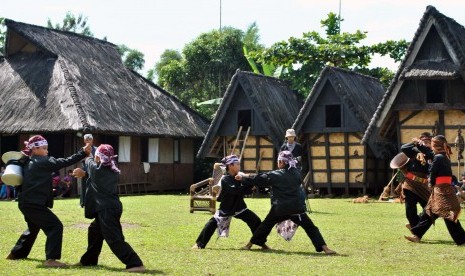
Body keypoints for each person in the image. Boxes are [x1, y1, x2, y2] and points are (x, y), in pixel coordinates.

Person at [6, 135, 90, 267]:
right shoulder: (43, 161)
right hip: (33, 204)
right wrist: (83, 153)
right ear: (34, 149)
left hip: (25, 203)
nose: (47, 151)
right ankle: (51, 260)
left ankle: (16, 254)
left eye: (47, 148)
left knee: (33, 228)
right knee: (55, 226)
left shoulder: (29, 162)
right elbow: (64, 161)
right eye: (44, 148)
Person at [237, 151, 336, 254]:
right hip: (296, 208)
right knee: (311, 228)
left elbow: (259, 178)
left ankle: (248, 245)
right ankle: (325, 249)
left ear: (281, 162)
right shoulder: (296, 173)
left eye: (279, 161)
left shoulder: (276, 175)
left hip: (280, 208)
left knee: (265, 226)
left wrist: (243, 177)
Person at [73, 144, 145, 273]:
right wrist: (85, 173)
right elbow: (95, 178)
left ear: (99, 158)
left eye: (97, 156)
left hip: (106, 209)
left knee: (114, 238)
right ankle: (88, 260)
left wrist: (88, 153)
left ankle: (135, 263)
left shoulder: (97, 169)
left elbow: (89, 162)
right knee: (94, 231)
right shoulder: (111, 170)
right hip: (109, 207)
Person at [192, 155, 266, 250]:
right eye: (237, 164)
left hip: (239, 207)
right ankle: (199, 244)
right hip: (226, 208)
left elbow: (248, 186)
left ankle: (262, 244)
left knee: (255, 220)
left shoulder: (240, 176)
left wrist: (249, 184)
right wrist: (249, 187)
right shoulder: (225, 179)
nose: (239, 166)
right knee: (211, 224)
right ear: (230, 166)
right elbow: (235, 190)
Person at [405, 135, 465, 245]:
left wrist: (430, 183)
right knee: (429, 213)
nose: (431, 146)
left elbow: (432, 174)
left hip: (442, 192)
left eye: (432, 145)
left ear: (436, 146)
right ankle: (417, 235)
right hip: (442, 190)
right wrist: (418, 143)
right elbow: (427, 151)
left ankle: (462, 239)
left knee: (448, 215)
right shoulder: (442, 156)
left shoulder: (438, 158)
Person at [396, 132, 434, 231]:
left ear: (431, 142)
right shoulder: (413, 150)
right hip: (410, 184)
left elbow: (430, 155)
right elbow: (404, 148)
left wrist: (424, 147)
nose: (425, 143)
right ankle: (416, 229)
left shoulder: (431, 152)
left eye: (427, 141)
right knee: (410, 209)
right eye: (423, 141)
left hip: (424, 184)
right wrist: (415, 143)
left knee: (429, 209)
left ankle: (417, 228)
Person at [80, 134, 97, 207]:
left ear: (92, 140)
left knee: (93, 186)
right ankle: (83, 203)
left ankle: (94, 202)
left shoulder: (96, 149)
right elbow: (80, 159)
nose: (88, 141)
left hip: (93, 169)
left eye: (90, 139)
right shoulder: (82, 149)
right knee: (84, 186)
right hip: (85, 170)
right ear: (84, 141)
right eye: (87, 140)